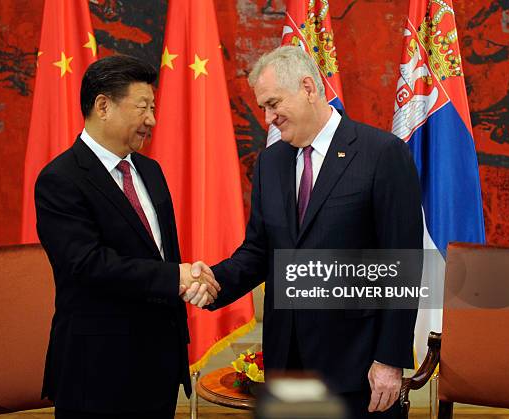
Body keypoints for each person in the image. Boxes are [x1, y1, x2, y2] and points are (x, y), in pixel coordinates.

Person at [187, 46, 423, 418]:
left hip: (357, 365)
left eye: (273, 103)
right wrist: (214, 281)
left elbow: (403, 265)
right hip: (287, 362)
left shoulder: (381, 154)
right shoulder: (271, 162)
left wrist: (389, 360)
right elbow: (260, 251)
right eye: (263, 108)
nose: (267, 118)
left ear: (309, 88)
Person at [35, 54, 219, 418]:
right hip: (98, 370)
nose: (151, 120)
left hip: (159, 364)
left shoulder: (150, 171)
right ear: (103, 106)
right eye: (143, 107)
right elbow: (87, 265)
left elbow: (163, 256)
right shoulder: (60, 179)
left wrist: (187, 280)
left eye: (153, 107)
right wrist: (176, 277)